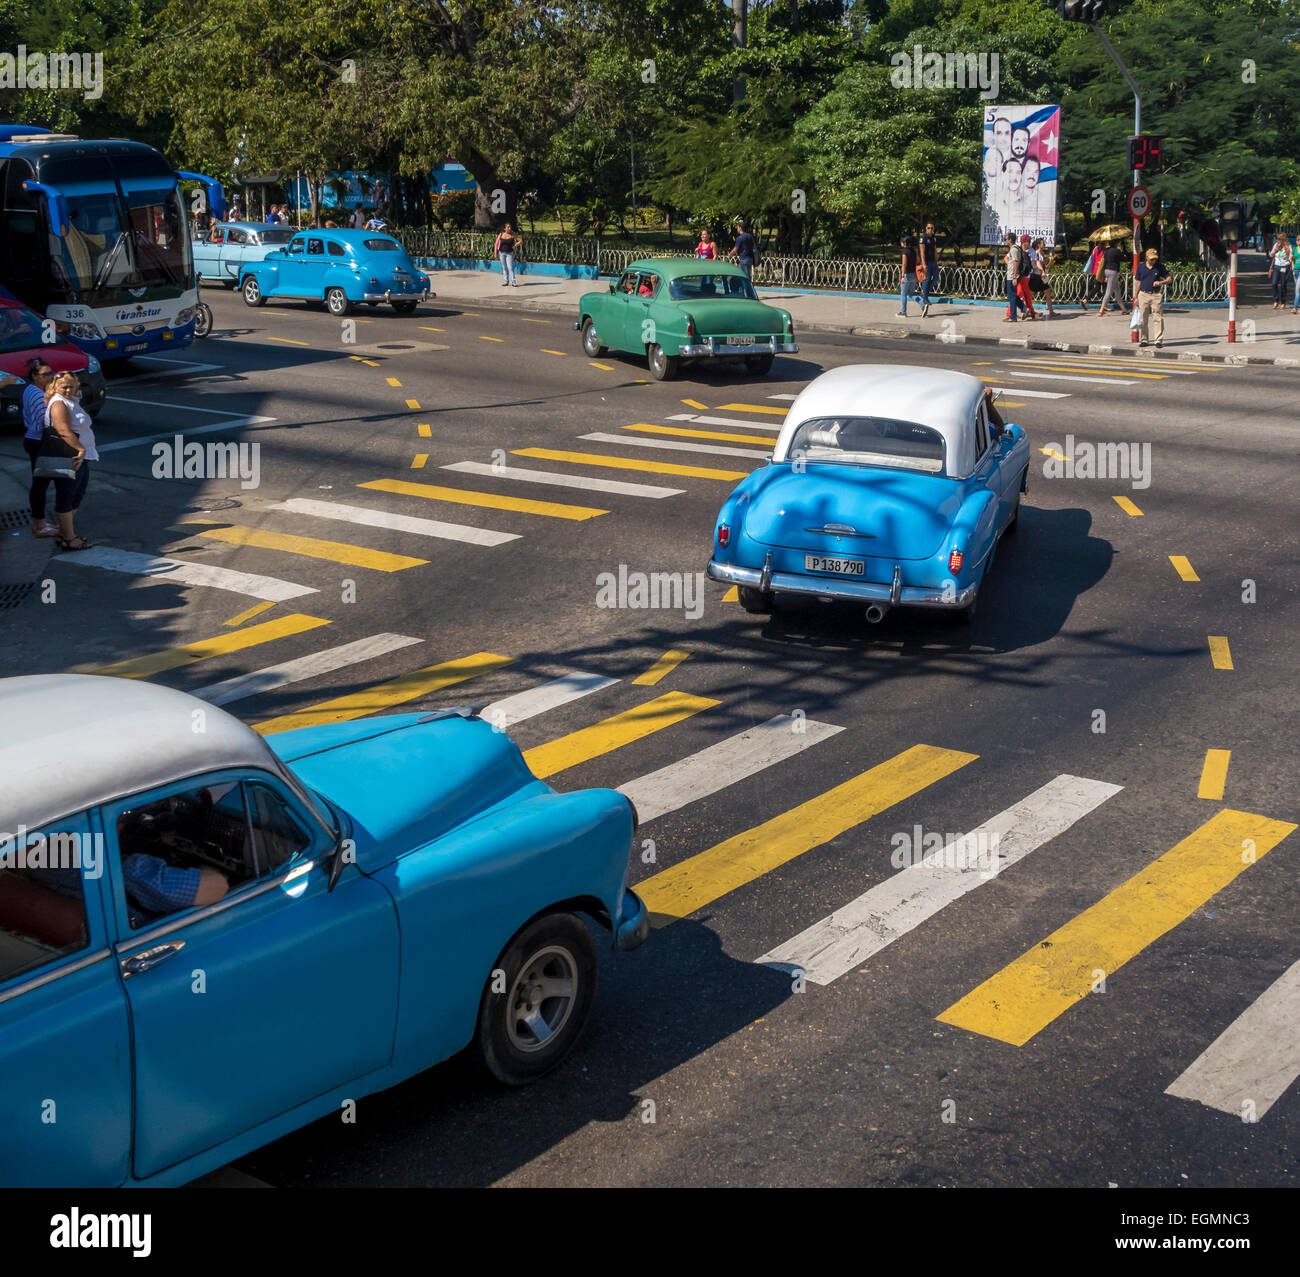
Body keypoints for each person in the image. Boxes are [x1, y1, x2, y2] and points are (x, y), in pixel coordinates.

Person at [42, 372, 97, 551]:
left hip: (81, 457)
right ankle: (69, 538)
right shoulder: (59, 403)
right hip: (70, 456)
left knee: (76, 495)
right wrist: (80, 449)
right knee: (66, 496)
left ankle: (63, 532)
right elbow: (63, 431)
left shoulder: (72, 401)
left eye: (71, 386)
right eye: (63, 386)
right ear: (55, 387)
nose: (67, 390)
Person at [11, 358, 59, 537]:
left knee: (40, 484)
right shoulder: (40, 395)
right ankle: (39, 526)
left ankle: (39, 523)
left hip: (32, 439)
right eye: (45, 374)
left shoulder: (30, 390)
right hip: (40, 442)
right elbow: (43, 423)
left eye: (50, 373)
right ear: (34, 376)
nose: (50, 377)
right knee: (40, 485)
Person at [1135, 246, 1172, 347]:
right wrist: (1136, 297)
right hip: (1143, 294)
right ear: (1146, 257)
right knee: (1143, 318)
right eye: (1152, 259)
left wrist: (1160, 282)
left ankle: (1158, 340)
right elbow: (1138, 282)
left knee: (1158, 318)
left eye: (1155, 258)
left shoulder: (1159, 266)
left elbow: (1169, 279)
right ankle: (1144, 340)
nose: (1153, 261)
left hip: (1156, 295)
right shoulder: (1140, 267)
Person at [1030, 237, 1056, 318]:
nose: (1044, 245)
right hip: (1036, 276)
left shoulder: (1042, 253)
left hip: (1042, 277)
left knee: (1047, 292)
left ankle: (1051, 312)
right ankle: (1026, 310)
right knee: (1031, 294)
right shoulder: (1036, 253)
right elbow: (1036, 265)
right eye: (1043, 243)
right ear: (1038, 245)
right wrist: (1043, 266)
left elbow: (1042, 264)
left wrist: (1047, 262)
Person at [1097, 239, 1124, 315]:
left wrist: (1105, 276)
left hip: (1107, 271)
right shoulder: (1116, 251)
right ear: (1116, 243)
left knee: (1117, 290)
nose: (1119, 243)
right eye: (1118, 242)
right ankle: (1101, 311)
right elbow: (1123, 259)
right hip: (1113, 271)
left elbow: (1104, 262)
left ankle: (1123, 309)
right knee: (1109, 291)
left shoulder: (1106, 251)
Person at [1267, 232, 1293, 309]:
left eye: (1279, 239)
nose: (1277, 240)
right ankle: (1276, 300)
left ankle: (1283, 302)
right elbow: (1271, 255)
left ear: (1283, 240)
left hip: (1285, 267)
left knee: (1283, 285)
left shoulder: (1288, 247)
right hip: (1276, 267)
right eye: (1277, 239)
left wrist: (1292, 266)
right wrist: (1275, 250)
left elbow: (1291, 258)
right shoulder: (1276, 245)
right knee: (1274, 283)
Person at [1016, 234, 1039, 319]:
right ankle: (1029, 312)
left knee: (1023, 295)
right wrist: (1014, 269)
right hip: (1018, 275)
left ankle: (1030, 312)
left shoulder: (1031, 250)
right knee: (1021, 294)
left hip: (1026, 276)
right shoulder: (1017, 249)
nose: (1030, 242)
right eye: (1028, 241)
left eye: (1029, 241)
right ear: (1023, 242)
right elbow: (1006, 258)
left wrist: (1042, 271)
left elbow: (1036, 261)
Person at [897, 234, 921, 317]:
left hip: (907, 275)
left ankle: (903, 312)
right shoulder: (914, 251)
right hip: (914, 275)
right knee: (911, 293)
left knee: (903, 294)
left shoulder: (904, 252)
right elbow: (918, 261)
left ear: (903, 243)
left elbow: (904, 264)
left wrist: (902, 276)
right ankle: (922, 304)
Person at [919, 222, 939, 317]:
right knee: (926, 280)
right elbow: (922, 251)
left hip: (933, 262)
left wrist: (936, 259)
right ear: (926, 229)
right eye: (928, 228)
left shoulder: (933, 238)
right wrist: (923, 263)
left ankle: (924, 294)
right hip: (926, 262)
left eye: (932, 228)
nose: (930, 229)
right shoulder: (923, 238)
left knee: (936, 279)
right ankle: (925, 297)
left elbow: (935, 249)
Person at [495, 222, 519, 286]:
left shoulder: (512, 234)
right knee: (504, 267)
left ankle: (513, 282)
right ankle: (506, 281)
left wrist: (515, 245)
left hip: (510, 253)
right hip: (501, 253)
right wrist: (495, 253)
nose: (509, 228)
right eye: (508, 227)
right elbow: (496, 243)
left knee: (510, 267)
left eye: (510, 227)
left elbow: (520, 240)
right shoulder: (501, 234)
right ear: (504, 228)